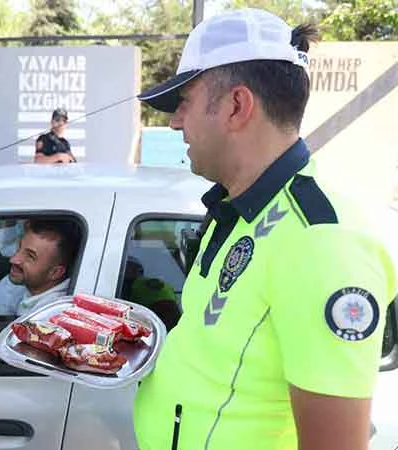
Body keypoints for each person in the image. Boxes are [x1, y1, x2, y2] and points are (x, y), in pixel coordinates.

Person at [132, 9, 397, 450]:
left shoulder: (320, 242)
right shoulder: (243, 210)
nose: (176, 122)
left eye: (185, 103)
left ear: (237, 106)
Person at [0, 218, 81, 316]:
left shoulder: (48, 315)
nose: (13, 259)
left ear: (55, 272)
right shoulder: (32, 285)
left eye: (30, 256)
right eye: (19, 248)